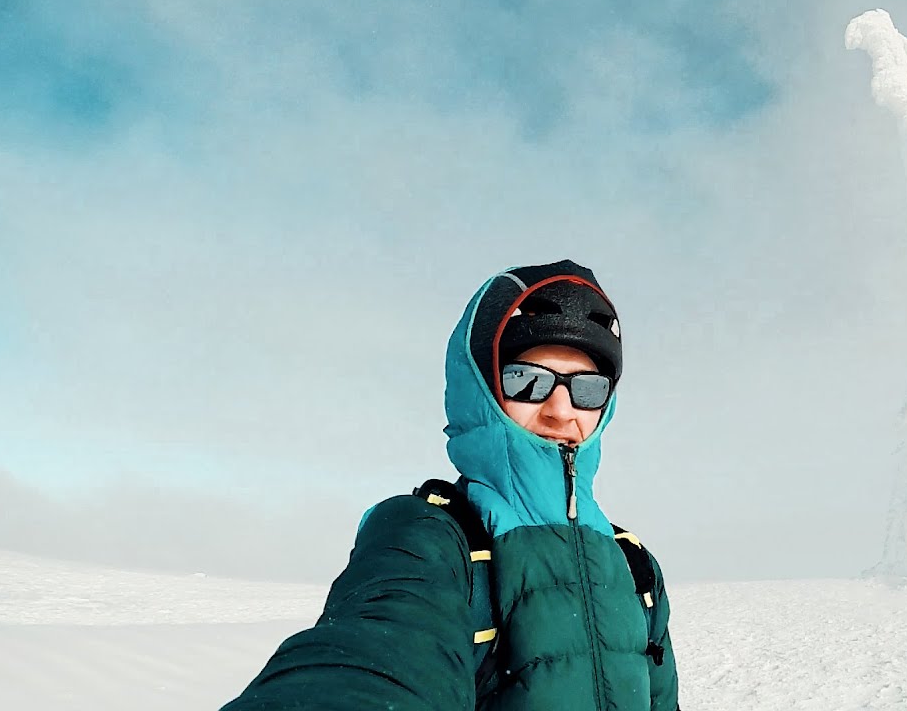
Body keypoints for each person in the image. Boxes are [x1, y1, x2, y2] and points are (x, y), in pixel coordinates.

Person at [221, 259, 679, 710]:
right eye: (527, 380)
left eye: (589, 388)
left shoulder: (634, 566)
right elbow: (372, 654)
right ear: (478, 388)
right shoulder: (429, 537)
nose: (562, 410)